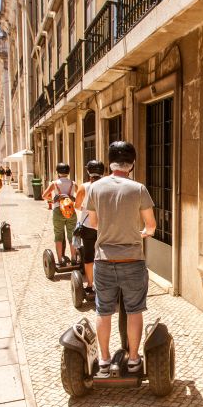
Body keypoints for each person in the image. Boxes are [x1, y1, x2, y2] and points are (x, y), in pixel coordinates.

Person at [85, 141, 156, 377]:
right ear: (132, 164)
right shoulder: (138, 188)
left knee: (103, 310)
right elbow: (151, 225)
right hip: (132, 259)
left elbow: (93, 223)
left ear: (110, 162)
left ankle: (104, 361)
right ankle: (134, 360)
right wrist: (141, 233)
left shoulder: (95, 188)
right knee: (134, 310)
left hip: (104, 259)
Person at [74, 159, 105, 296]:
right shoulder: (107, 186)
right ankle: (105, 283)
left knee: (89, 256)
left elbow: (76, 205)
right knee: (104, 255)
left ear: (88, 172)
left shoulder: (84, 187)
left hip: (87, 226)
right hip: (104, 226)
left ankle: (91, 285)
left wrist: (86, 209)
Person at [41, 162, 79, 267]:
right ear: (68, 172)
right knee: (72, 235)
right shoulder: (73, 183)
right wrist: (73, 199)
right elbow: (80, 197)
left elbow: (44, 196)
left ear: (57, 172)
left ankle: (60, 259)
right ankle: (74, 258)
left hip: (58, 210)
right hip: (71, 211)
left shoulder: (54, 184)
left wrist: (53, 200)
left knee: (58, 235)